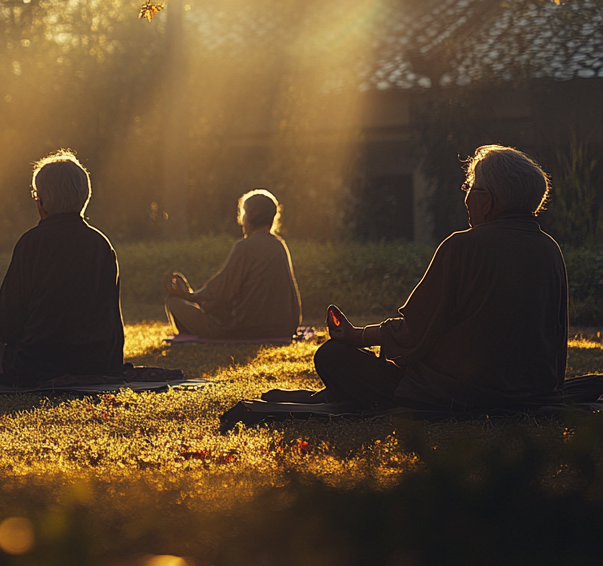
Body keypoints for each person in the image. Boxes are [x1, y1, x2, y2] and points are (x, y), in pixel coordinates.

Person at [315, 145, 568, 411]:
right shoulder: (549, 249)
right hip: (531, 392)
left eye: (471, 187)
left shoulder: (464, 246)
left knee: (332, 356)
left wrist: (356, 336)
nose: (466, 198)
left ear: (488, 200)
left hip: (453, 392)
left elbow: (414, 332)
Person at [0, 151, 124, 385]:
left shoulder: (34, 242)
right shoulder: (101, 244)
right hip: (98, 363)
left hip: (39, 366)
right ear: (84, 197)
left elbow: (7, 326)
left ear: (42, 200)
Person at [164, 190, 302, 341]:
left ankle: (193, 333)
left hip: (244, 329)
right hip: (282, 328)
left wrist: (191, 296)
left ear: (248, 217)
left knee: (174, 303)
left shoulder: (245, 247)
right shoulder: (279, 245)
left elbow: (222, 292)